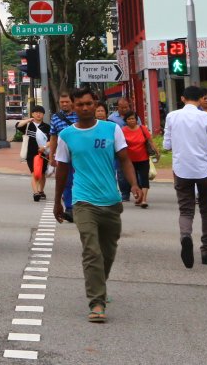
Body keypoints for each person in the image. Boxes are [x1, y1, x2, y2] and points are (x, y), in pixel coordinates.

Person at [53, 86, 143, 323]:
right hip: (83, 201)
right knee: (91, 251)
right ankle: (97, 302)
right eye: (79, 104)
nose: (84, 108)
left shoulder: (112, 129)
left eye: (88, 103)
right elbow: (62, 170)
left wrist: (134, 185)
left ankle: (99, 285)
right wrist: (58, 202)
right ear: (73, 106)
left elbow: (125, 160)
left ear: (96, 104)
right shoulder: (66, 136)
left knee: (108, 252)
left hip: (111, 201)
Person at [163, 85, 207, 267]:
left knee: (186, 209)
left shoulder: (172, 116)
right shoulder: (206, 117)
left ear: (182, 98)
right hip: (203, 169)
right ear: (200, 99)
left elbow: (166, 145)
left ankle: (186, 236)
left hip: (181, 169)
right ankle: (206, 252)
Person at [48, 91, 78, 222]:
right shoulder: (55, 117)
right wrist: (51, 156)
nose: (64, 104)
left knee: (80, 181)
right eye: (62, 102)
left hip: (80, 155)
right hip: (63, 156)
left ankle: (82, 207)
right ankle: (70, 209)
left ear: (72, 102)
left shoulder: (79, 115)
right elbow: (53, 138)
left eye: (67, 102)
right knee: (66, 182)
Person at [121, 113, 156, 208]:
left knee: (144, 179)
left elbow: (150, 141)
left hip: (143, 159)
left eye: (133, 118)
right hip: (130, 160)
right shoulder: (123, 131)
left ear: (136, 120)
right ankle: (138, 197)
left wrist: (156, 152)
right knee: (134, 181)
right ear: (125, 121)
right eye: (129, 119)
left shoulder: (142, 129)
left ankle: (144, 200)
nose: (131, 120)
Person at [16, 105, 50, 201]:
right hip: (31, 154)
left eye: (40, 113)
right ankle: (35, 193)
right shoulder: (28, 126)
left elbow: (51, 140)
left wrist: (44, 147)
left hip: (43, 154)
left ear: (43, 114)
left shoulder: (47, 127)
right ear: (32, 114)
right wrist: (28, 120)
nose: (38, 114)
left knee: (42, 173)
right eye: (36, 112)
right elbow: (18, 125)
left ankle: (41, 191)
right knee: (35, 173)